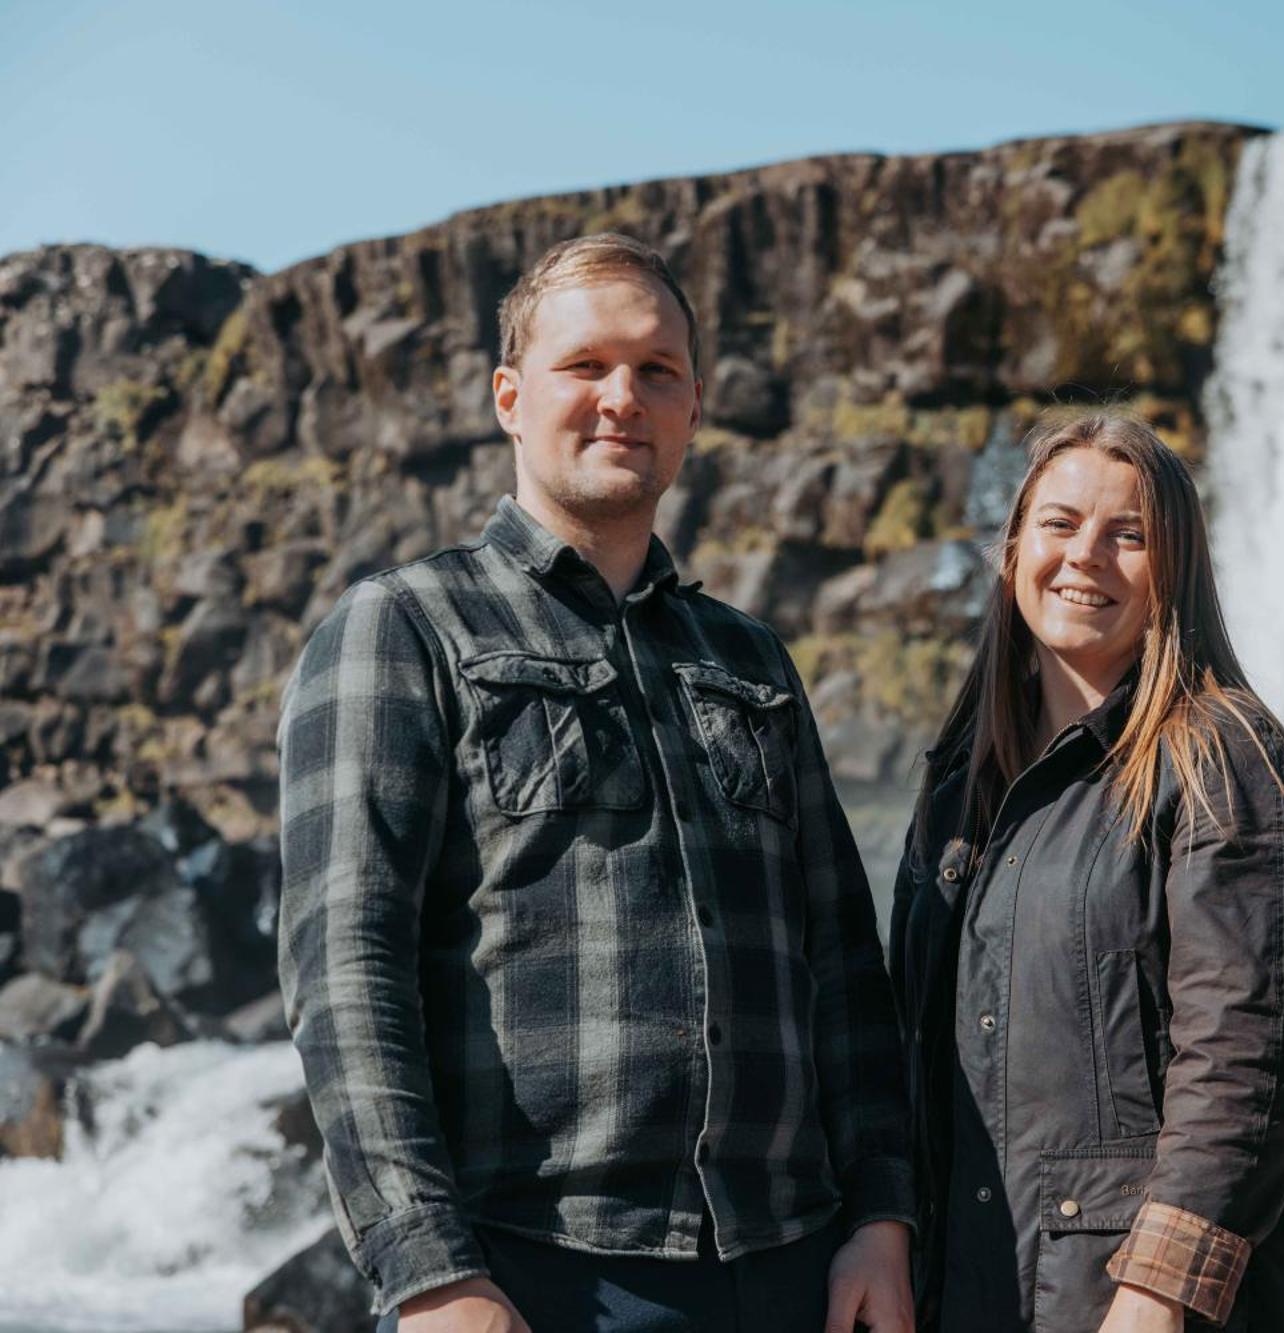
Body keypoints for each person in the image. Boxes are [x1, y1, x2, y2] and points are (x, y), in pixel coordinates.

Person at [277, 233, 915, 1333]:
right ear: (510, 398)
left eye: (656, 370)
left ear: (693, 407)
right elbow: (342, 962)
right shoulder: (404, 627)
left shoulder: (750, 659)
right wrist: (428, 1271)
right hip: (537, 1275)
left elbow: (841, 961)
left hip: (791, 1266)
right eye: (587, 366)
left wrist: (880, 1219)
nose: (623, 396)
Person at [890, 413, 1284, 1332]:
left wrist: (1157, 1289)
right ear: (1013, 549)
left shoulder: (1221, 757)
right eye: (1059, 524)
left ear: (1175, 571)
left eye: (1127, 534)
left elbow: (1244, 1056)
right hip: (976, 1288)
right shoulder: (959, 787)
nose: (1084, 555)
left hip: (1134, 1309)